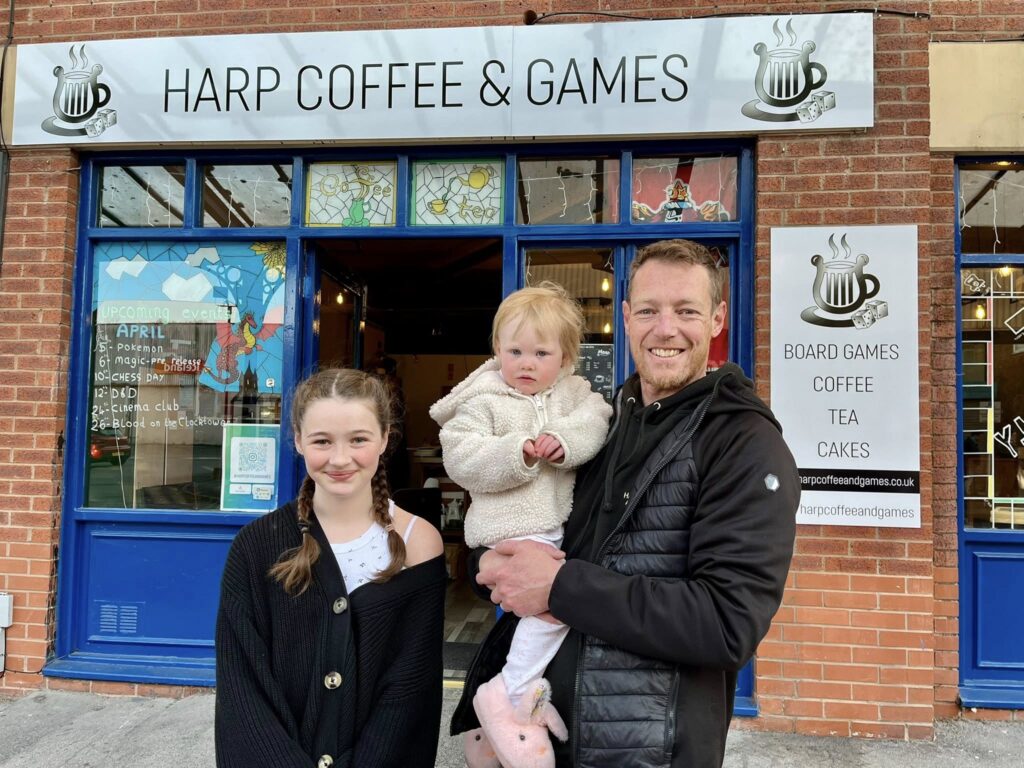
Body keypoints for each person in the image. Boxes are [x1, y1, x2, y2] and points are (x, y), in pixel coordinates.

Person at [451, 240, 800, 768]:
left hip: (646, 752)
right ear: (627, 317)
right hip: (552, 734)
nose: (666, 329)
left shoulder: (745, 443)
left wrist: (559, 586)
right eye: (649, 311)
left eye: (686, 311)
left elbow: (728, 623)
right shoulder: (603, 422)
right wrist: (487, 561)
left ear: (717, 319)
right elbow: (537, 523)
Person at [215, 368, 445, 768]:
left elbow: (409, 691)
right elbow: (243, 690)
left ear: (385, 438)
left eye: (358, 439)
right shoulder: (255, 547)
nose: (340, 459)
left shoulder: (418, 543)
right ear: (298, 440)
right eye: (322, 441)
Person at [429, 282, 613, 767]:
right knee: (555, 609)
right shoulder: (483, 400)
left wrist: (563, 439)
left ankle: (492, 726)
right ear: (497, 349)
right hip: (508, 530)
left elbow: (597, 421)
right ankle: (509, 698)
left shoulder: (574, 394)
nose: (526, 364)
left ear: (566, 356)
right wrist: (518, 453)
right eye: (514, 351)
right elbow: (461, 456)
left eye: (540, 353)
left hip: (552, 528)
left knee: (544, 618)